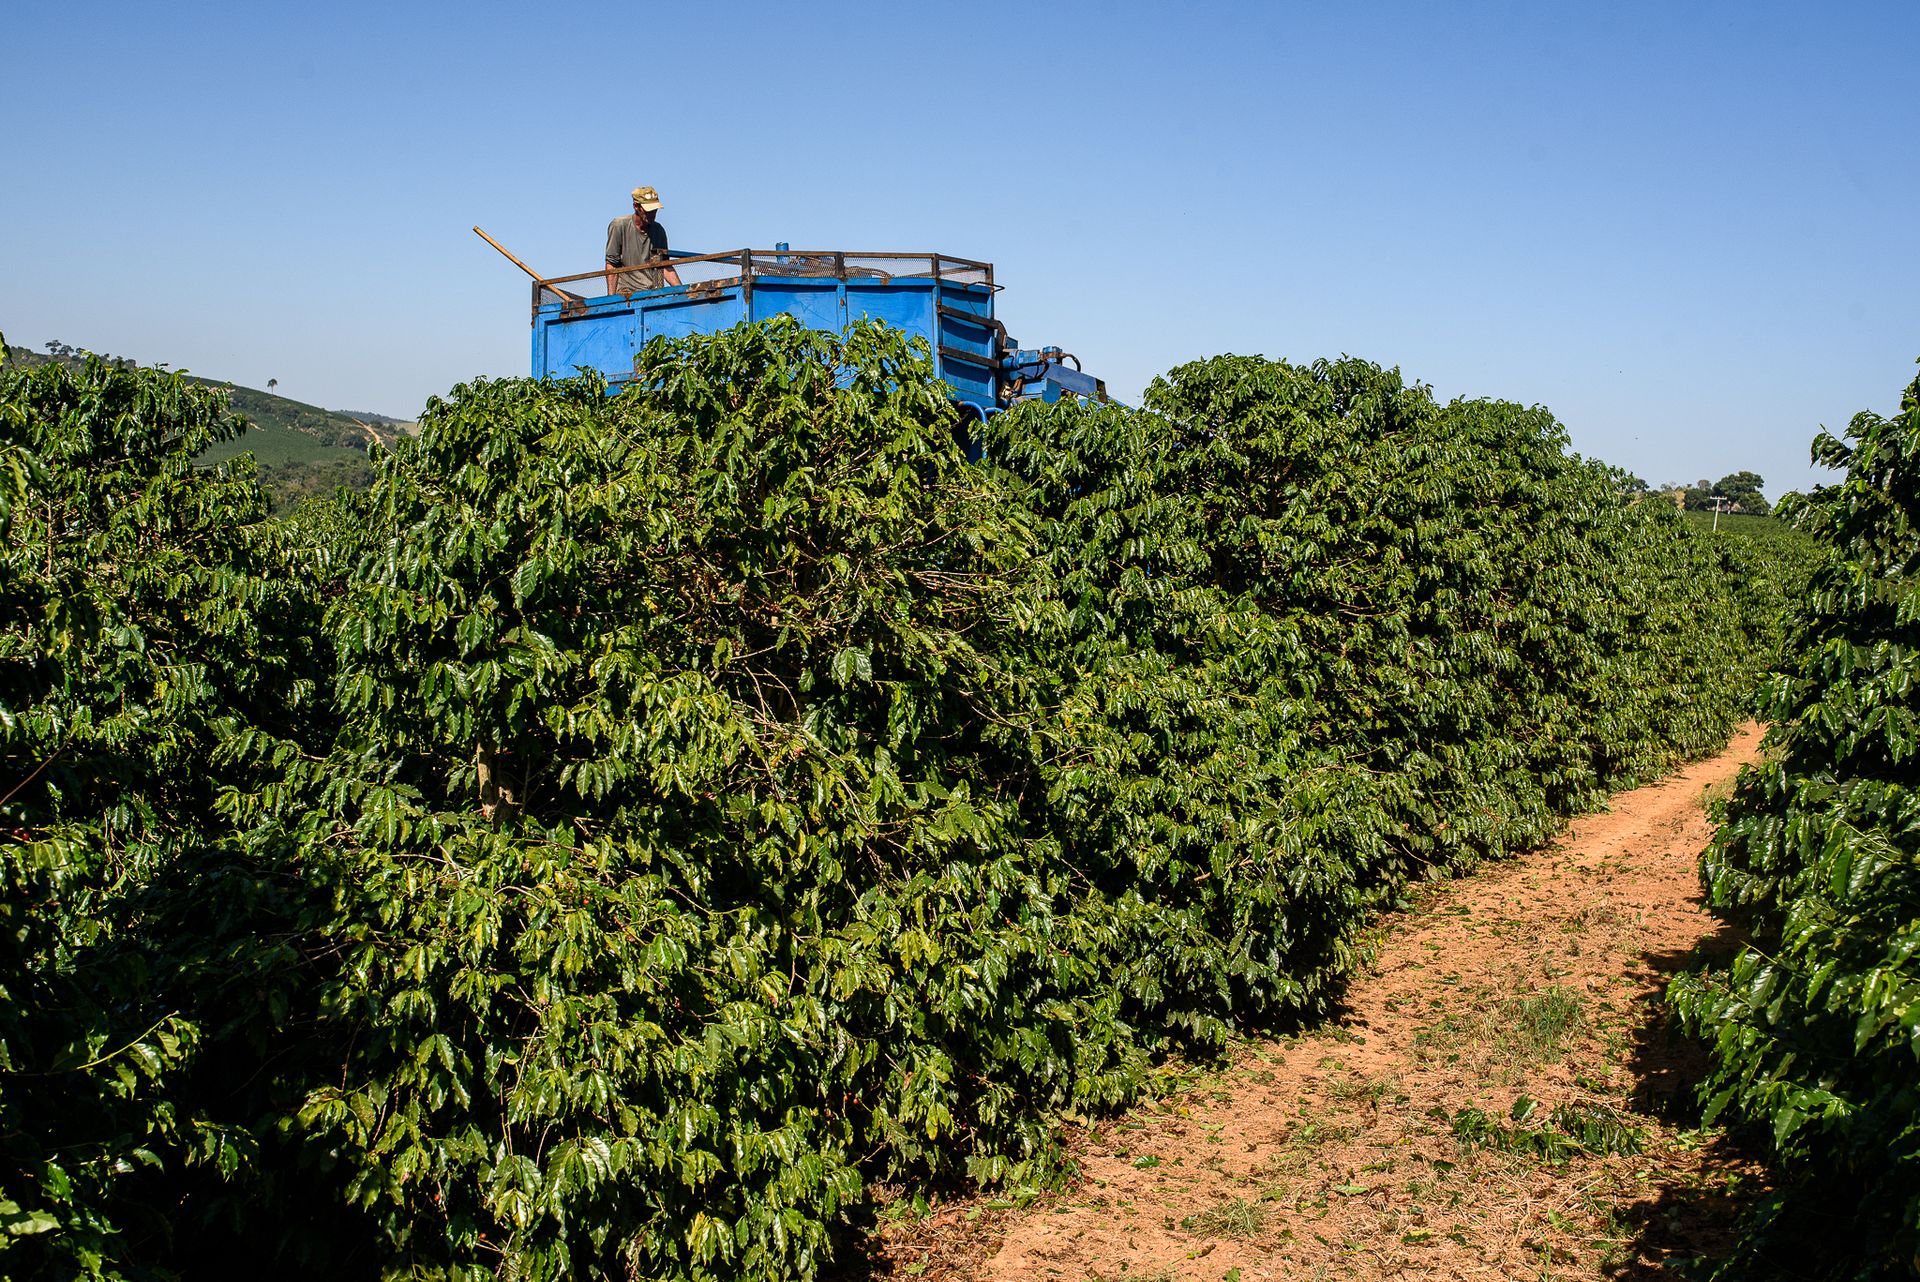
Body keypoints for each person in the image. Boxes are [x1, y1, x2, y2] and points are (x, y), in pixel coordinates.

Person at [604, 185, 682, 294]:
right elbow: (612, 264)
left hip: (652, 292)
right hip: (627, 293)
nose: (652, 214)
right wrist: (610, 300)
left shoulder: (658, 231)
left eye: (654, 210)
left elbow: (664, 265)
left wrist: (682, 291)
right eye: (648, 210)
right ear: (636, 207)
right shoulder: (619, 226)